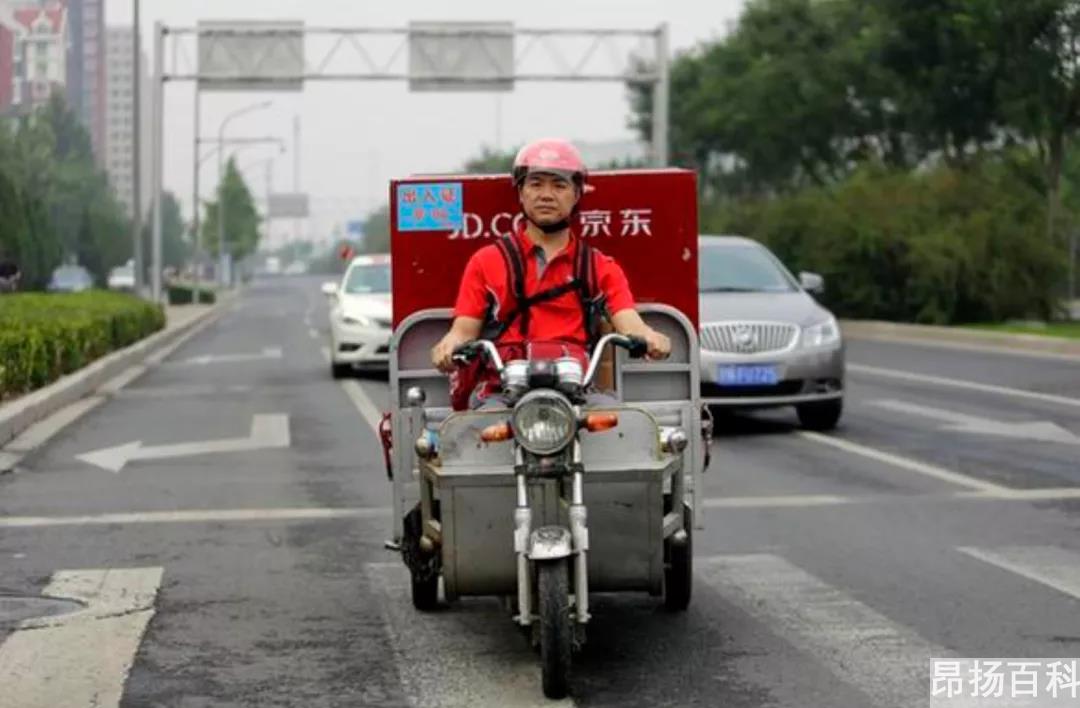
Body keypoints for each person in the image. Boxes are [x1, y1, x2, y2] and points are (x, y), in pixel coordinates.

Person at [431, 138, 671, 406]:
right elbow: (464, 329)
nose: (546, 194)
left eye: (559, 185)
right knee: (475, 437)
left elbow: (629, 323)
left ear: (577, 194)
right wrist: (449, 344)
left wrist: (649, 336)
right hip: (504, 390)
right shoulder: (486, 261)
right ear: (520, 192)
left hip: (576, 390)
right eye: (535, 184)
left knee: (617, 427)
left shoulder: (599, 266)